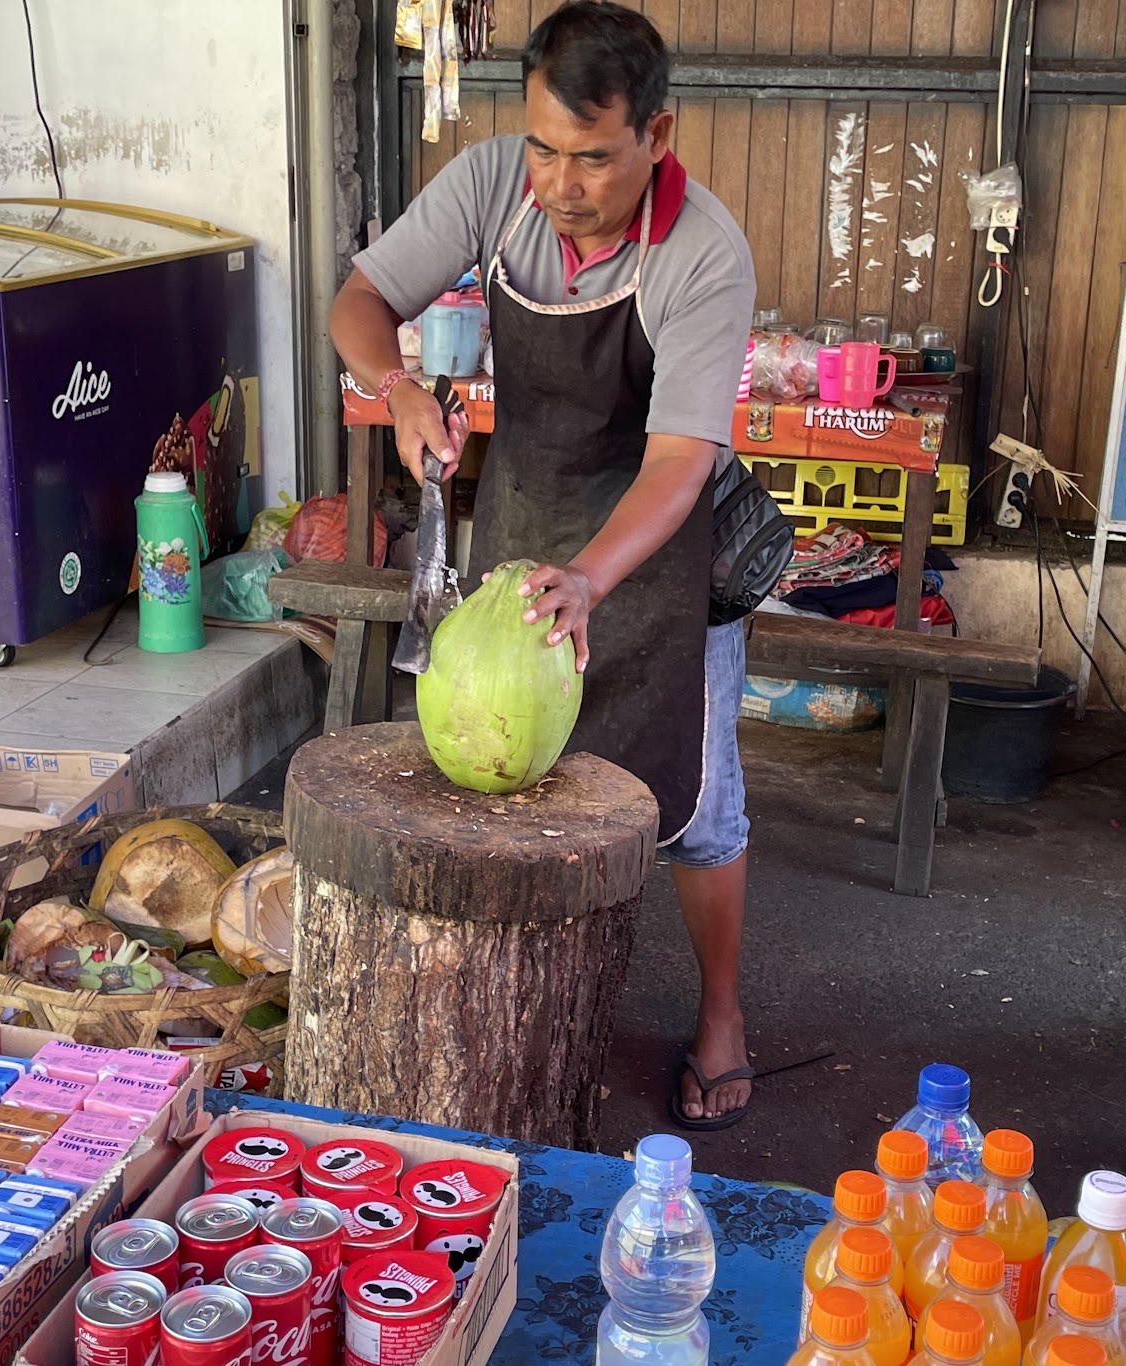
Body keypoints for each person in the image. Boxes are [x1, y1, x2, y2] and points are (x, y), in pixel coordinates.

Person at [329, 2, 760, 1124]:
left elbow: (679, 463)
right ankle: (527, 1010)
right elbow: (360, 301)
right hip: (524, 524)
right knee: (510, 785)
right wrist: (399, 388)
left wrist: (592, 579)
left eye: (593, 158)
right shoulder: (490, 186)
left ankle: (721, 1015)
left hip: (654, 548)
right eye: (544, 150)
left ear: (655, 135)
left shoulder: (701, 253)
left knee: (699, 805)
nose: (562, 184)